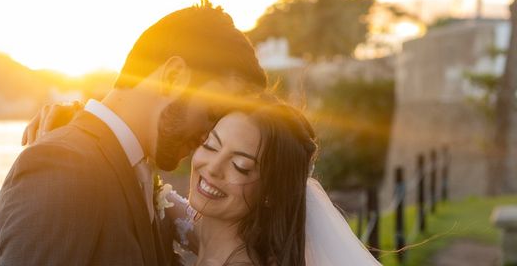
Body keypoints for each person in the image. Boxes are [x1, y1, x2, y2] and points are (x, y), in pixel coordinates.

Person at [0, 0, 267, 265]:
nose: (211, 135)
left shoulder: (134, 168)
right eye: (213, 112)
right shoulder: (62, 169)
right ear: (172, 78)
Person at [28, 96, 383, 265]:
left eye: (241, 167)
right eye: (210, 145)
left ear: (271, 193)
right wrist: (73, 137)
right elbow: (158, 198)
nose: (212, 168)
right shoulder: (202, 232)